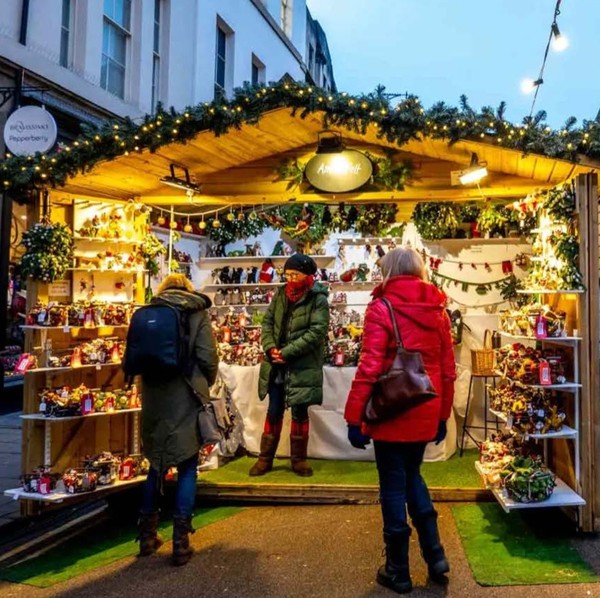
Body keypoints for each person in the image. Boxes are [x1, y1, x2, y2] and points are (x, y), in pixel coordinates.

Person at [344, 247, 456, 594]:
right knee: (412, 477)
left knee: (392, 485)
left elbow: (370, 365)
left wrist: (354, 416)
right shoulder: (438, 310)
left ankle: (398, 571)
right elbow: (448, 371)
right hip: (425, 407)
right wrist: (442, 415)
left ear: (389, 270)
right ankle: (435, 556)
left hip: (392, 410)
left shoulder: (381, 308)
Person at [137, 273, 218, 566]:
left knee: (156, 463)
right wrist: (204, 382)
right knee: (187, 464)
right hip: (185, 392)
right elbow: (208, 356)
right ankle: (181, 541)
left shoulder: (148, 312)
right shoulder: (196, 312)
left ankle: (147, 534)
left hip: (154, 394)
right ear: (187, 289)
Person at [250, 253, 329, 477]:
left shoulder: (318, 299)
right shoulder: (280, 294)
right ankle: (265, 458)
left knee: (299, 412)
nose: (291, 278)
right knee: (273, 410)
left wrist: (287, 352)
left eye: (295, 274)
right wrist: (270, 347)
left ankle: (299, 460)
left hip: (302, 365)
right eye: (288, 274)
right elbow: (267, 323)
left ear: (307, 275)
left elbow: (316, 332)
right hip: (276, 364)